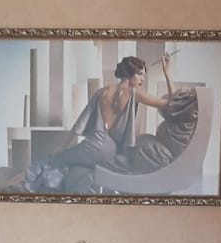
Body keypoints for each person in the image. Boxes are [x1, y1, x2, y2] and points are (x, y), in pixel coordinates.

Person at [23, 53, 174, 193]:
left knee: (56, 159)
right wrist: (167, 73)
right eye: (140, 74)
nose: (142, 79)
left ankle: (30, 188)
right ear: (130, 73)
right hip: (111, 150)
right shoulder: (135, 93)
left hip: (93, 146)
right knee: (65, 163)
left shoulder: (102, 92)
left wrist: (63, 147)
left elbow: (79, 125)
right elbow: (170, 102)